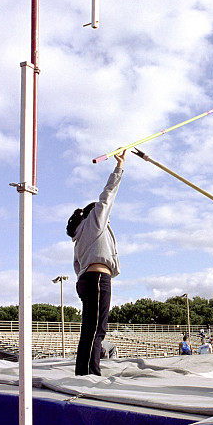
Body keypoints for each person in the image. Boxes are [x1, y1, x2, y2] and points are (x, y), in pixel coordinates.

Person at [66, 151, 126, 376]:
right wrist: (119, 168)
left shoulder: (80, 236)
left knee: (90, 328)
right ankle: (90, 372)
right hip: (97, 278)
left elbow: (77, 265)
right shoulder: (95, 222)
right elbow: (107, 196)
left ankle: (84, 370)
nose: (108, 218)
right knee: (96, 328)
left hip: (87, 279)